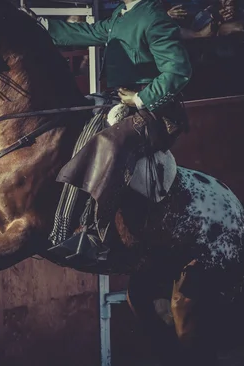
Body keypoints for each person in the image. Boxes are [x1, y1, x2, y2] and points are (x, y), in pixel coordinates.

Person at [23, 0, 192, 259]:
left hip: (156, 111)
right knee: (79, 132)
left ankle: (95, 233)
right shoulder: (121, 15)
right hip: (121, 102)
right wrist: (42, 26)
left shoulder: (154, 18)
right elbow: (90, 32)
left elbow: (179, 70)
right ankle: (62, 226)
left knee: (109, 143)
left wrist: (140, 98)